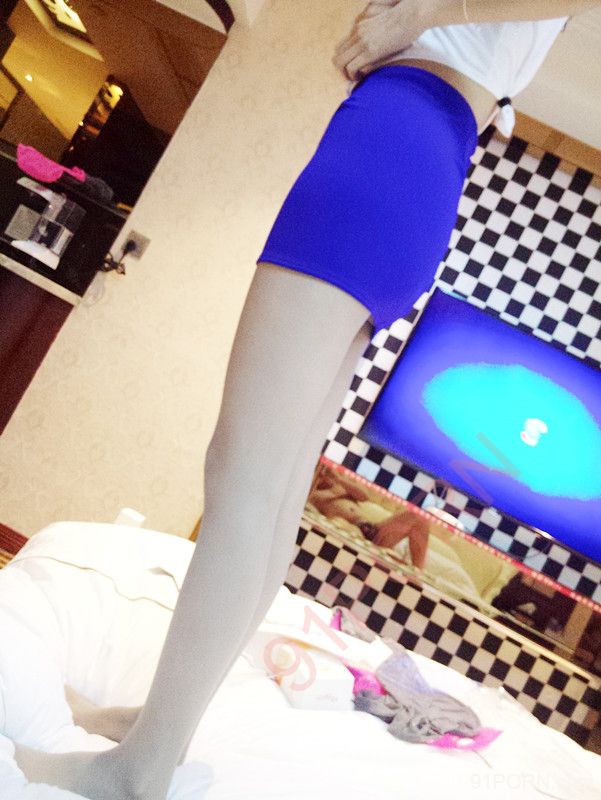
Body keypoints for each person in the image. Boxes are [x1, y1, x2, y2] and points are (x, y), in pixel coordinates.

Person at [12, 2, 600, 799]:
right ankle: (158, 731)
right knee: (275, 487)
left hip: (391, 142)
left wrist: (410, 18)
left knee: (243, 478)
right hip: (422, 161)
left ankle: (138, 768)